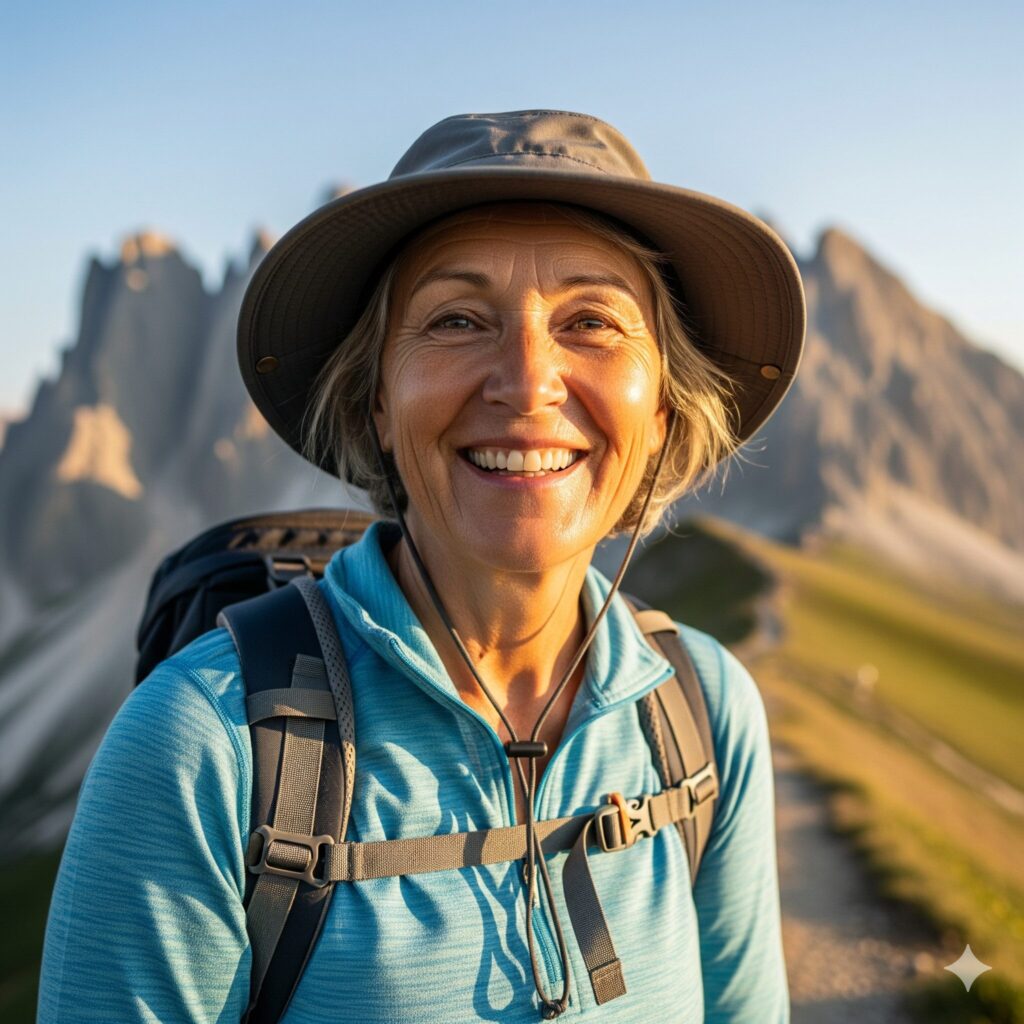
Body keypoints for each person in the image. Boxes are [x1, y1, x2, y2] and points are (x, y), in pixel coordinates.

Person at [38, 110, 804, 1023]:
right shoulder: (201, 744)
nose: (527, 382)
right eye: (457, 320)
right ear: (376, 405)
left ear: (663, 413)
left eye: (592, 321)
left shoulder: (705, 712)